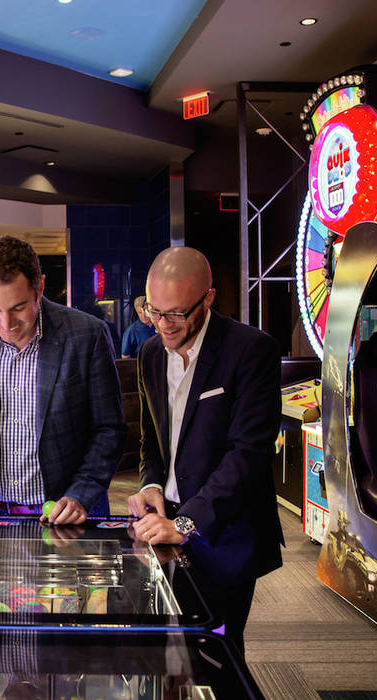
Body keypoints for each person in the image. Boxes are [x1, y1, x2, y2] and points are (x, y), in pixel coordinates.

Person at [126, 246, 283, 658]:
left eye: (176, 314)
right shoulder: (148, 354)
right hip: (161, 527)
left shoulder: (252, 351)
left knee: (215, 654)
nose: (163, 325)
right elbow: (153, 440)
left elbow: (247, 455)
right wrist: (152, 484)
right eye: (153, 311)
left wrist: (188, 523)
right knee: (160, 654)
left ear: (209, 298)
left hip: (224, 530)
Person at [0, 235, 125, 525]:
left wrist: (80, 494)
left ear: (40, 288)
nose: (7, 324)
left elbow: (109, 429)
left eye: (18, 308)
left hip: (66, 512)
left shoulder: (87, 334)